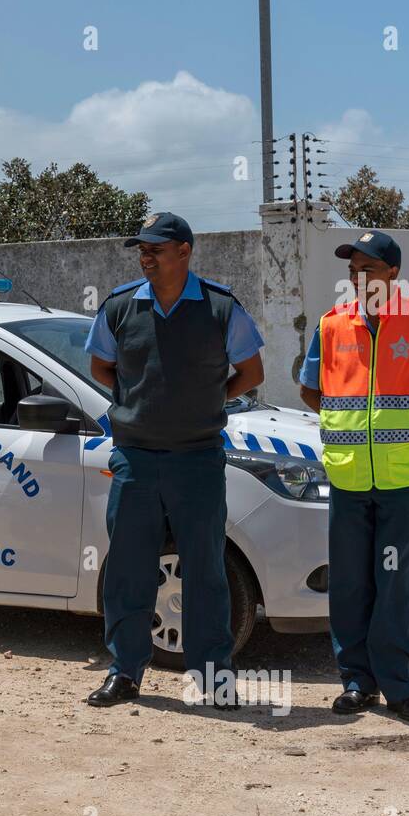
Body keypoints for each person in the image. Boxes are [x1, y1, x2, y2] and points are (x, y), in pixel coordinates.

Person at [84, 212, 265, 708]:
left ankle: (213, 678)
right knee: (127, 569)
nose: (146, 257)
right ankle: (125, 673)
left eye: (156, 249)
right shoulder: (121, 306)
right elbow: (100, 364)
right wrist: (136, 399)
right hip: (135, 459)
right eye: (141, 249)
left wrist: (209, 401)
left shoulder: (220, 308)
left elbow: (250, 370)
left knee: (205, 570)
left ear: (184, 251)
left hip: (197, 460)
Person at [298, 230, 409, 722]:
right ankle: (356, 683)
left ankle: (399, 688)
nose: (358, 277)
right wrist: (341, 421)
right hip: (348, 484)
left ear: (392, 273)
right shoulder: (332, 326)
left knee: (393, 587)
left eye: (368, 268)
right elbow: (312, 390)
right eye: (353, 270)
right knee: (351, 587)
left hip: (399, 485)